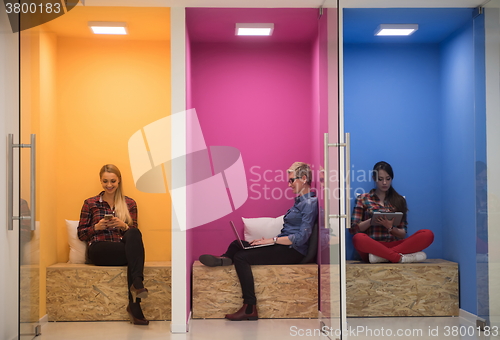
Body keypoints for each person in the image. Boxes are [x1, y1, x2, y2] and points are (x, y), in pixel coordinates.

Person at [199, 162, 318, 321]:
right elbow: (291, 231)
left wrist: (272, 240)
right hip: (283, 247)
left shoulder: (310, 204)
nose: (289, 184)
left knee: (241, 257)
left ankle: (249, 308)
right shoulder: (299, 202)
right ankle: (225, 259)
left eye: (292, 180)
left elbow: (301, 238)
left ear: (304, 179)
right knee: (237, 245)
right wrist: (267, 242)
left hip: (293, 251)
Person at [77, 164, 149, 325]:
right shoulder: (90, 203)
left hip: (121, 248)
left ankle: (137, 286)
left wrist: (123, 226)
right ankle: (135, 300)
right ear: (100, 181)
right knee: (134, 255)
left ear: (119, 181)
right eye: (105, 181)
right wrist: (97, 227)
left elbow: (133, 235)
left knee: (134, 233)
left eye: (113, 181)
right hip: (99, 249)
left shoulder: (129, 203)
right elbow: (81, 233)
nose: (109, 185)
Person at [350, 161, 434, 263]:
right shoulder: (363, 198)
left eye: (388, 179)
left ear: (391, 179)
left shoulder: (399, 200)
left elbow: (402, 234)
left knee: (427, 234)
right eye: (380, 179)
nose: (384, 183)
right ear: (374, 179)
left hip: (396, 245)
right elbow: (354, 229)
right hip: (373, 247)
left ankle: (383, 257)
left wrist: (390, 227)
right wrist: (372, 220)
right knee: (358, 238)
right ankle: (398, 258)